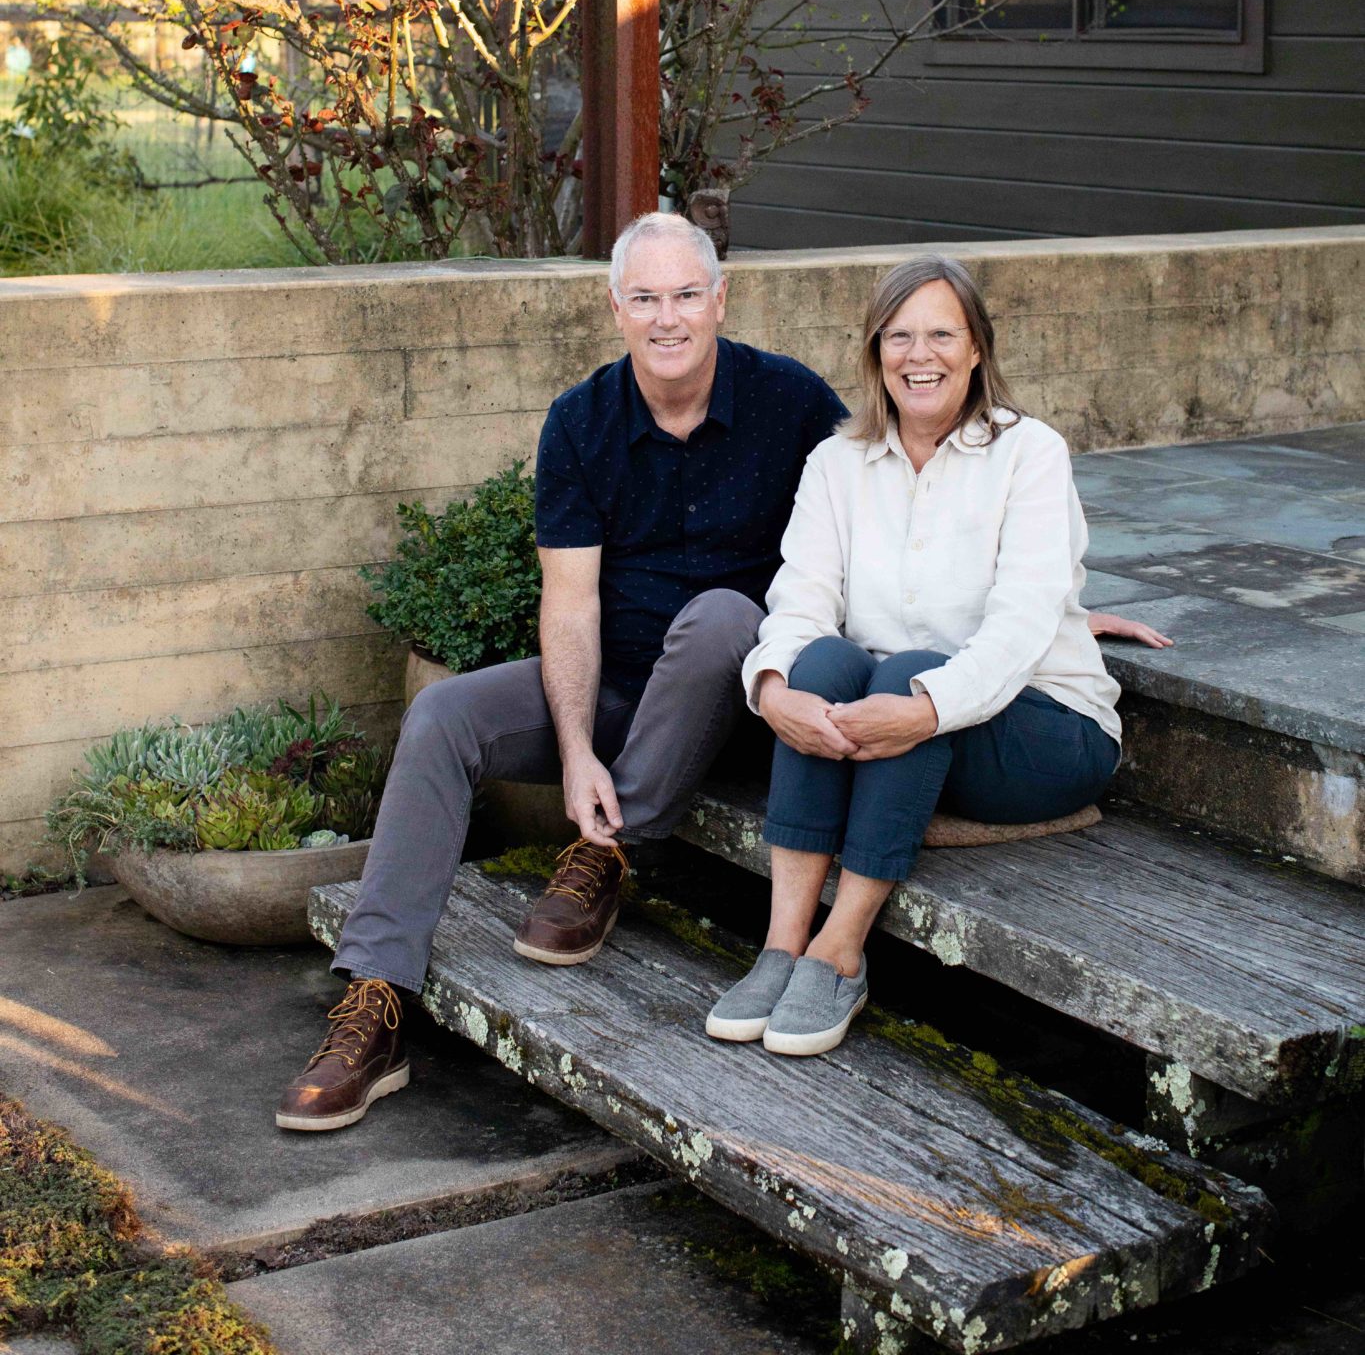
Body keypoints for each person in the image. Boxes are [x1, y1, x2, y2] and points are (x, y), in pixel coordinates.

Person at [276, 219, 1169, 1131]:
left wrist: (1055, 609)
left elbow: (939, 549)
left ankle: (621, 855)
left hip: (741, 698)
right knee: (442, 717)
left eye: (686, 295)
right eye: (646, 298)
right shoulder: (594, 423)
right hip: (630, 689)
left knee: (727, 623)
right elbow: (577, 602)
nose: (668, 318)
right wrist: (578, 747)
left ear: (719, 300)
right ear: (615, 308)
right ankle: (372, 1004)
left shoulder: (791, 405)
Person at [706, 255, 1128, 1061]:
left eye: (941, 333)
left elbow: (1018, 626)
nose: (918, 354)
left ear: (976, 350)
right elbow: (798, 598)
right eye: (898, 336)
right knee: (819, 661)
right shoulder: (836, 463)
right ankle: (781, 946)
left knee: (906, 670)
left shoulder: (1029, 454)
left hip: (1043, 729)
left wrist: (926, 705)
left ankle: (841, 951)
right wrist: (771, 690)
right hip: (897, 719)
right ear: (875, 353)